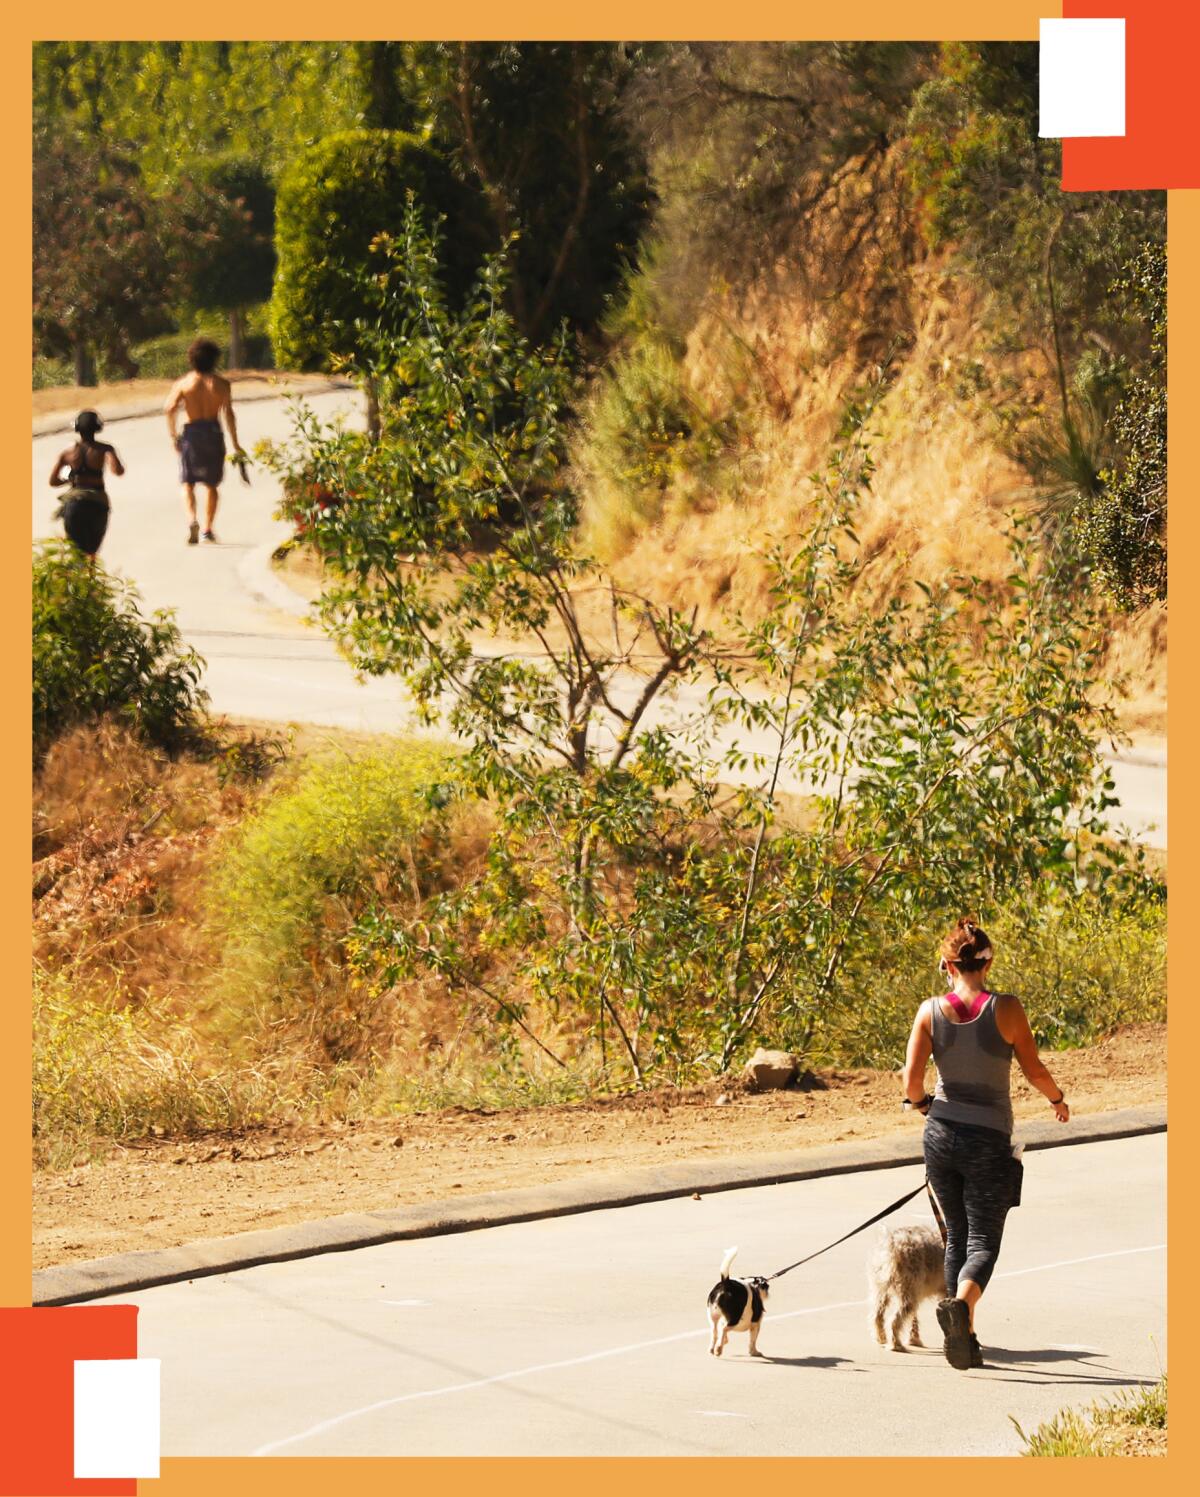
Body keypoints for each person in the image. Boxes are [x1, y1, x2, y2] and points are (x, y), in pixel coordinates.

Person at [902, 917, 1070, 1370]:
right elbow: (1034, 1070)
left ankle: (967, 1336)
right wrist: (1056, 1098)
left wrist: (922, 1106)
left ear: (946, 964)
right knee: (983, 1241)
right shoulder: (1007, 1008)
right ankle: (961, 1309)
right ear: (988, 961)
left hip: (939, 1135)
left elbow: (913, 1083)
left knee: (955, 1232)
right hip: (988, 1139)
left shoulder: (929, 1011)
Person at [165, 338, 245, 545]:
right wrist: (236, 444)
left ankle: (192, 519)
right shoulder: (222, 384)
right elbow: (229, 414)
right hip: (213, 432)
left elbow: (170, 408)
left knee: (187, 483)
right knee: (212, 484)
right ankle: (208, 529)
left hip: (191, 433)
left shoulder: (184, 383)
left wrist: (173, 435)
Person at [48, 410, 125, 557]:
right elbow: (118, 471)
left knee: (74, 550)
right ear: (97, 428)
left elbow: (53, 481)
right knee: (91, 551)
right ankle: (89, 577)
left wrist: (70, 478)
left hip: (74, 504)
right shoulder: (105, 449)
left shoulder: (67, 453)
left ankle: (74, 578)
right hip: (97, 503)